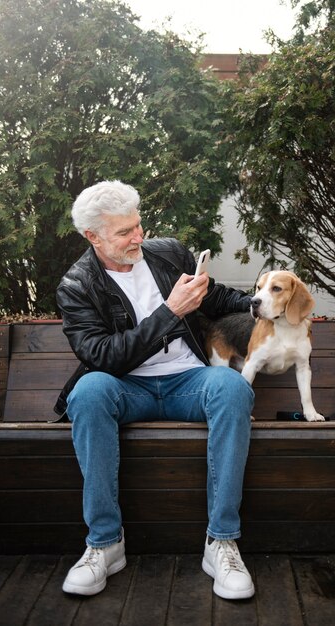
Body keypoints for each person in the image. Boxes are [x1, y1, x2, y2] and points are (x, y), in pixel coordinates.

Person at [55, 180, 255, 600]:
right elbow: (104, 357)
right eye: (124, 231)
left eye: (138, 224)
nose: (138, 237)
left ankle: (221, 542)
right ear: (93, 236)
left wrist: (261, 305)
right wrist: (169, 312)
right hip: (126, 388)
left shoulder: (167, 254)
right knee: (88, 393)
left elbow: (214, 296)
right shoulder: (76, 286)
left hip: (188, 382)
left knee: (232, 387)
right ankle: (105, 544)